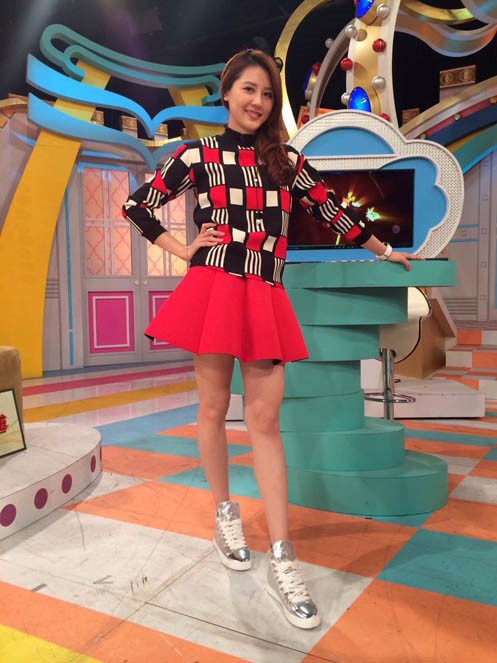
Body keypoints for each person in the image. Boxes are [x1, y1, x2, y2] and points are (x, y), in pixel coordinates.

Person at [123, 48, 419, 630]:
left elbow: (332, 210)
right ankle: (224, 514)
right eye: (248, 89)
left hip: (264, 290)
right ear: (227, 92)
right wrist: (184, 248)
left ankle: (284, 557)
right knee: (212, 408)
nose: (257, 101)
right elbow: (138, 206)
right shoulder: (197, 154)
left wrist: (385, 250)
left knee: (265, 421)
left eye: (266, 93)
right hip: (214, 285)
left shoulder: (286, 160)